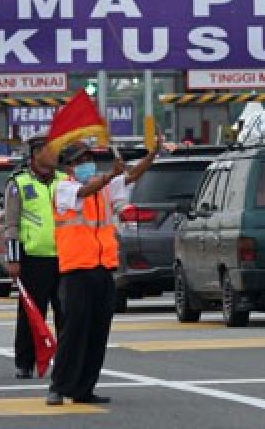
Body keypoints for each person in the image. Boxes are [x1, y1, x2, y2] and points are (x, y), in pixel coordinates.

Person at [46, 140, 159, 406]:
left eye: (89, 158)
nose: (87, 163)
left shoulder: (105, 186)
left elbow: (131, 176)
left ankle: (84, 388)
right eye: (81, 160)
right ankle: (58, 386)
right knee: (73, 331)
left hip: (103, 268)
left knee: (98, 332)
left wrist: (152, 156)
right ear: (70, 166)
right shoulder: (64, 187)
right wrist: (111, 174)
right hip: (76, 270)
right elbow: (86, 191)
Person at [3, 136, 67, 380]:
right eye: (49, 151)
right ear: (36, 154)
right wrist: (14, 259)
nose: (54, 155)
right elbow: (12, 225)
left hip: (64, 257)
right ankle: (25, 362)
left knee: (66, 312)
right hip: (33, 258)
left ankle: (65, 361)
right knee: (31, 313)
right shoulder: (18, 183)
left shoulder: (64, 181)